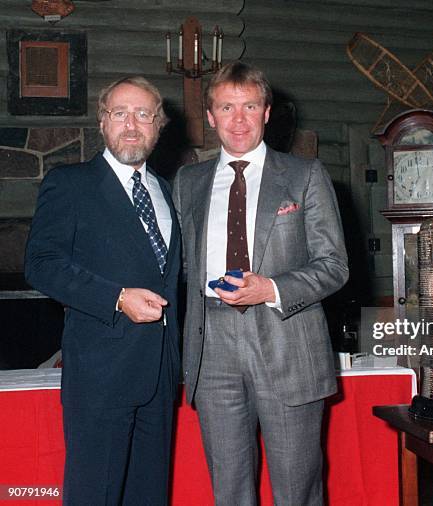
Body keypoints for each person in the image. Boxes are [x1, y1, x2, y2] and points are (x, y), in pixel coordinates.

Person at [172, 61, 348, 505]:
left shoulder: (305, 175)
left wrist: (269, 288)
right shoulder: (188, 182)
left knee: (297, 487)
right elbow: (179, 269)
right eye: (226, 107)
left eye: (249, 105)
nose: (238, 119)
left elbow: (334, 265)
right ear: (209, 117)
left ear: (267, 112)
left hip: (286, 338)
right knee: (228, 487)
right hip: (212, 345)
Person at [25, 77, 181, 506]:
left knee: (150, 495)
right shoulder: (69, 183)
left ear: (158, 125)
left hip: (160, 376)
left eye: (143, 114)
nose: (131, 125)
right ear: (102, 122)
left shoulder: (166, 191)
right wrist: (116, 298)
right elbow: (40, 265)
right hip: (99, 376)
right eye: (120, 113)